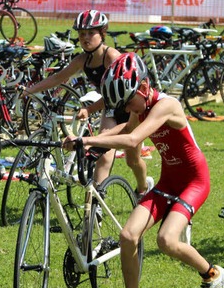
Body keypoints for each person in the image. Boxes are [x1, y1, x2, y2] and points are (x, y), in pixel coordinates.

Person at [63, 53, 224, 288]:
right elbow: (126, 129)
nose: (129, 109)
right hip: (169, 181)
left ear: (143, 87)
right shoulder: (140, 106)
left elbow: (133, 140)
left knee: (166, 240)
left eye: (129, 103)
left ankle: (213, 275)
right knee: (128, 236)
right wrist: (90, 138)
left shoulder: (167, 105)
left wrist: (90, 142)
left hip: (194, 181)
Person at [23, 10, 153, 197]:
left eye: (91, 33)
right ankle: (97, 200)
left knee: (132, 160)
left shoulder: (112, 57)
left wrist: (90, 108)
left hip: (130, 109)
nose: (85, 38)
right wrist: (29, 90)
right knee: (103, 152)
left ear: (102, 33)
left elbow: (120, 93)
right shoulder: (83, 59)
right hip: (110, 109)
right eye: (81, 34)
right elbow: (58, 78)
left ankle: (143, 188)